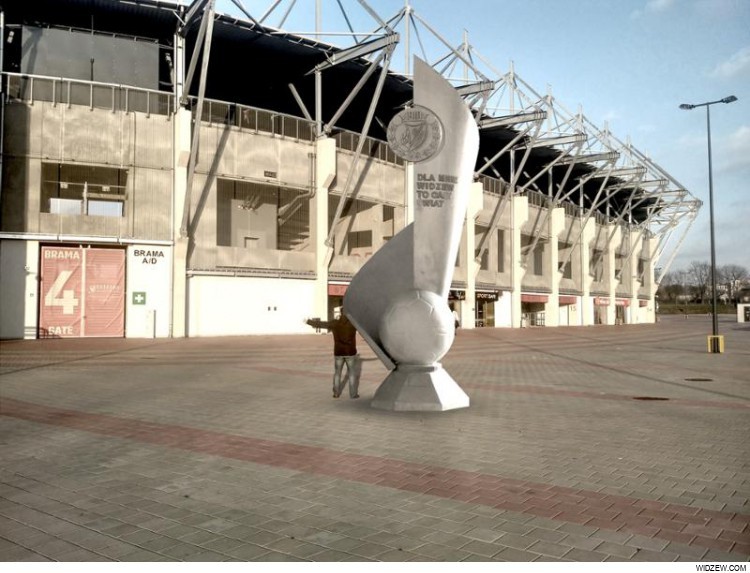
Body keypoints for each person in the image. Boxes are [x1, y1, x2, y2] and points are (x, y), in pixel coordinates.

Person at [306, 311, 360, 399]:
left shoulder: (334, 323)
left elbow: (321, 324)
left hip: (338, 352)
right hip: (350, 352)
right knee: (352, 373)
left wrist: (308, 322)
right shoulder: (353, 324)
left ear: (340, 313)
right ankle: (353, 394)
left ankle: (336, 393)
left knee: (337, 373)